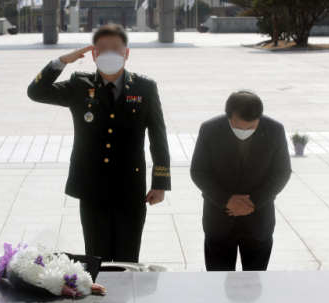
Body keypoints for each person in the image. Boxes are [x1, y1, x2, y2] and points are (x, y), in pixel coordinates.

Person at [27, 24, 171, 263]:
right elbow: (36, 92)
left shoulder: (144, 87)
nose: (109, 54)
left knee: (128, 258)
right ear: (93, 55)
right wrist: (61, 61)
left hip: (130, 187)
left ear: (126, 52)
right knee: (96, 257)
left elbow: (158, 136)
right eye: (102, 49)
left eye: (116, 48)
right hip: (92, 186)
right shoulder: (79, 84)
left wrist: (160, 182)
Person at [190, 90, 291, 271]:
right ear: (228, 115)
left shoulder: (274, 130)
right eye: (238, 127)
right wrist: (226, 200)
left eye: (251, 128)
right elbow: (199, 171)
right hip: (219, 221)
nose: (244, 131)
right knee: (217, 283)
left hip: (258, 222)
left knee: (254, 285)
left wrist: (252, 203)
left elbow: (282, 172)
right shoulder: (210, 129)